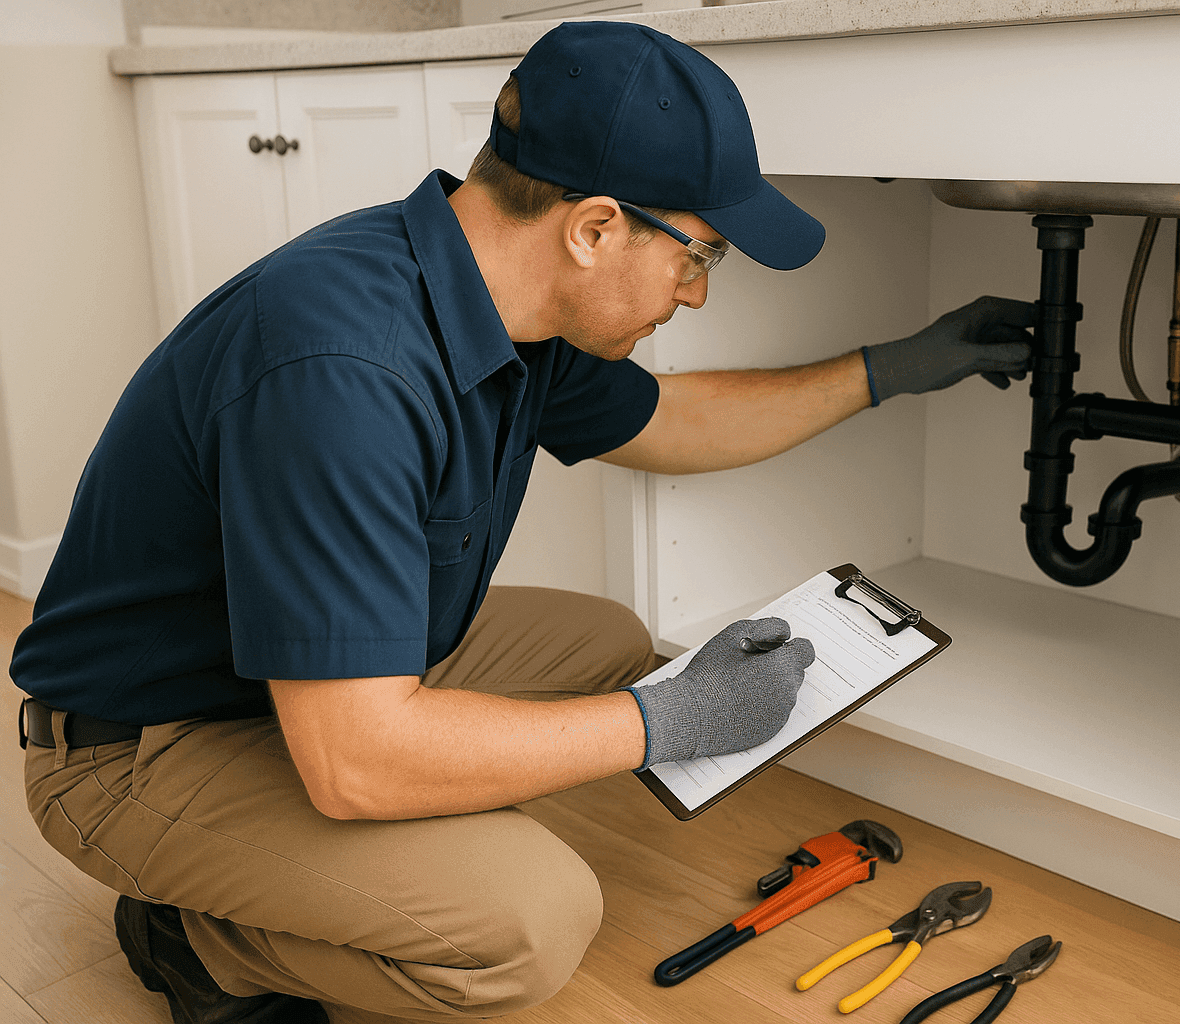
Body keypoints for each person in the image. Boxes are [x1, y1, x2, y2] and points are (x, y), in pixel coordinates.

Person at [12, 21, 1033, 1024]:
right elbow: (356, 758)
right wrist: (670, 723)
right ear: (593, 228)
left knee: (612, 646)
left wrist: (900, 367)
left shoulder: (501, 295)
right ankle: (194, 935)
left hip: (287, 687)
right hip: (138, 746)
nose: (697, 294)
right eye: (698, 255)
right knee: (530, 921)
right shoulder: (344, 368)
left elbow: (676, 420)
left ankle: (357, 849)